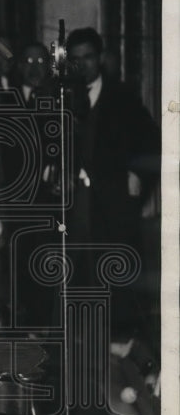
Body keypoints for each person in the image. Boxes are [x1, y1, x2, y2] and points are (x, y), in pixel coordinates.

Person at [62, 26, 161, 338]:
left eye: (88, 57)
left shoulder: (123, 98)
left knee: (115, 272)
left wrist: (137, 176)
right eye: (75, 60)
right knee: (73, 270)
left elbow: (151, 142)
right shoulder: (58, 96)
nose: (82, 65)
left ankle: (119, 343)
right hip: (73, 203)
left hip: (114, 203)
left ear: (101, 58)